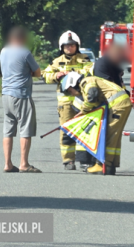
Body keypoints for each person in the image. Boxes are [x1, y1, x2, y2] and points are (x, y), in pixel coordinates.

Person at [61, 72, 132, 175]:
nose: (71, 94)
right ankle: (110, 165)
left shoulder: (86, 81)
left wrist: (83, 111)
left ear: (73, 84)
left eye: (69, 91)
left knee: (108, 135)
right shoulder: (92, 80)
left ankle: (102, 165)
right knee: (114, 136)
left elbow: (92, 96)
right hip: (121, 104)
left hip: (117, 105)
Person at [42, 31, 93, 171]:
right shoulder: (57, 62)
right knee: (66, 131)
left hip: (82, 101)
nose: (70, 48)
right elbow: (45, 75)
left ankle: (84, 160)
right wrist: (56, 75)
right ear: (62, 47)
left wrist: (78, 75)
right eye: (67, 45)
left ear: (77, 46)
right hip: (65, 104)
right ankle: (68, 160)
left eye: (72, 45)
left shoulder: (85, 59)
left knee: (84, 130)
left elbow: (91, 73)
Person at [0, 26, 42, 173]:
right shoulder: (25, 52)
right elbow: (37, 72)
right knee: (25, 128)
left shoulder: (3, 51)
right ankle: (24, 163)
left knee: (8, 130)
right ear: (22, 38)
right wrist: (28, 72)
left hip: (6, 94)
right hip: (21, 94)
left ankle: (8, 163)